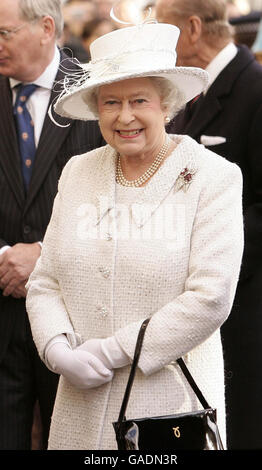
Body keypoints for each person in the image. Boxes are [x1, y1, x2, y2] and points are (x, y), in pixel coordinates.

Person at [26, 20, 243, 450]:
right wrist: (57, 350)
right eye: (110, 102)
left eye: (138, 100)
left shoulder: (212, 177)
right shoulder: (78, 171)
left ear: (166, 103)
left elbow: (211, 295)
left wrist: (111, 352)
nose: (124, 116)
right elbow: (45, 280)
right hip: (79, 411)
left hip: (169, 411)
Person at [156, 0, 262, 450]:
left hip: (242, 300)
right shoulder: (186, 94)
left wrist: (209, 258)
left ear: (193, 28)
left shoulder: (254, 90)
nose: (157, 46)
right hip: (189, 306)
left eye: (163, 32)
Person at [0, 0, 104, 450]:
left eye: (3, 33)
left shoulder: (98, 91)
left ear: (46, 27)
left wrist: (45, 254)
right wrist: (4, 256)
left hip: (76, 315)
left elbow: (117, 198)